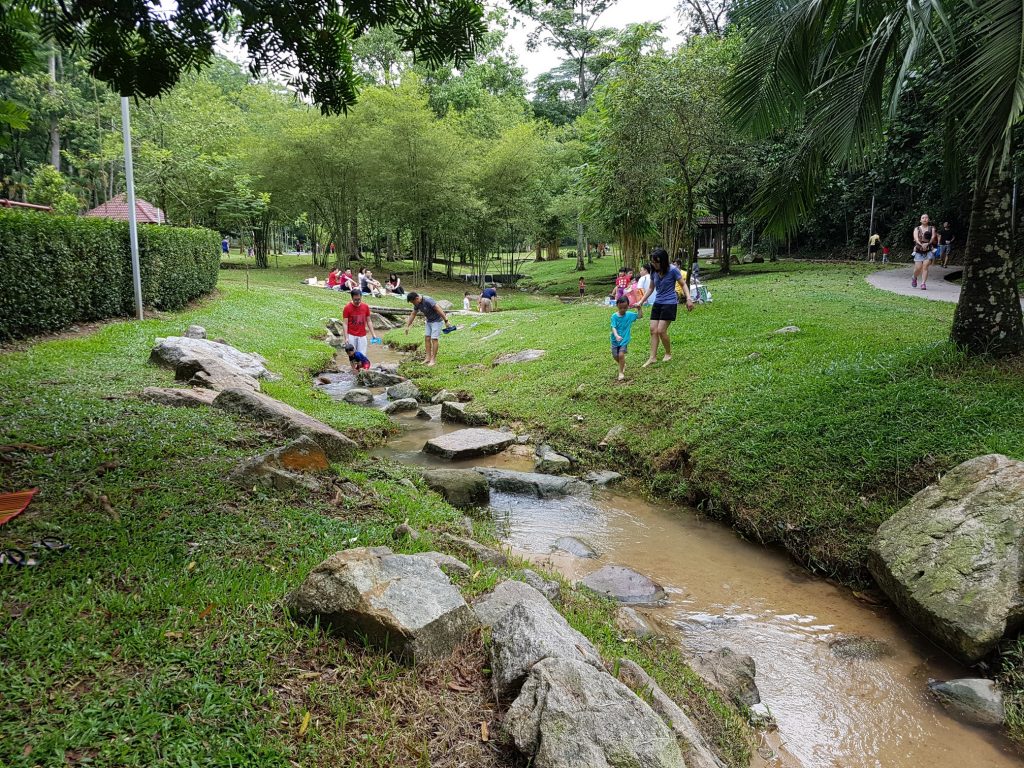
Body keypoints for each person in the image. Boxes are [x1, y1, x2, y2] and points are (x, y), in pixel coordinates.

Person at [639, 247, 694, 367]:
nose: (654, 264)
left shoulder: (673, 270)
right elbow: (651, 288)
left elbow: (683, 284)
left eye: (656, 262)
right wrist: (641, 301)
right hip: (658, 302)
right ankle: (652, 357)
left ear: (663, 261)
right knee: (653, 330)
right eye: (653, 262)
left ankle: (668, 353)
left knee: (661, 330)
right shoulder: (653, 271)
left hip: (669, 303)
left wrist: (688, 299)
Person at [404, 292, 452, 367]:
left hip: (437, 321)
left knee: (434, 339)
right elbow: (413, 314)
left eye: (413, 302)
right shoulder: (417, 303)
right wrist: (407, 326)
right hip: (429, 321)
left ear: (417, 298)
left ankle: (433, 359)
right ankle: (428, 358)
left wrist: (446, 321)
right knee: (427, 338)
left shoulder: (428, 300)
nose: (413, 304)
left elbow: (438, 309)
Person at [610, 296, 640, 381]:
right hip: (614, 340)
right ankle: (622, 364)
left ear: (628, 306)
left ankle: (621, 372)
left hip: (624, 340)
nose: (623, 309)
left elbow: (640, 316)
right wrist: (616, 335)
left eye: (625, 307)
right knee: (615, 356)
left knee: (621, 355)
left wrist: (639, 308)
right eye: (620, 308)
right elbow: (613, 327)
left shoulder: (629, 315)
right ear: (617, 306)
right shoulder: (614, 316)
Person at [342, 289, 376, 357]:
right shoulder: (347, 308)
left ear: (361, 297)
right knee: (352, 355)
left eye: (359, 299)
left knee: (362, 355)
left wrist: (373, 334)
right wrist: (346, 338)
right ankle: (354, 364)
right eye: (355, 300)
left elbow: (369, 321)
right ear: (352, 298)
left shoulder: (365, 307)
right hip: (351, 335)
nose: (357, 301)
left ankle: (362, 364)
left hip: (362, 335)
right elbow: (345, 324)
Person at [911, 214, 936, 290]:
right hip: (919, 250)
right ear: (920, 220)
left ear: (929, 220)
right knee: (918, 268)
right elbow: (915, 238)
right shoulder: (917, 228)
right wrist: (921, 244)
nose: (925, 219)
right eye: (923, 218)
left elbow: (933, 237)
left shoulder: (932, 228)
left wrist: (927, 244)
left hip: (928, 250)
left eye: (926, 218)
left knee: (925, 267)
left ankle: (923, 283)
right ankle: (914, 277)